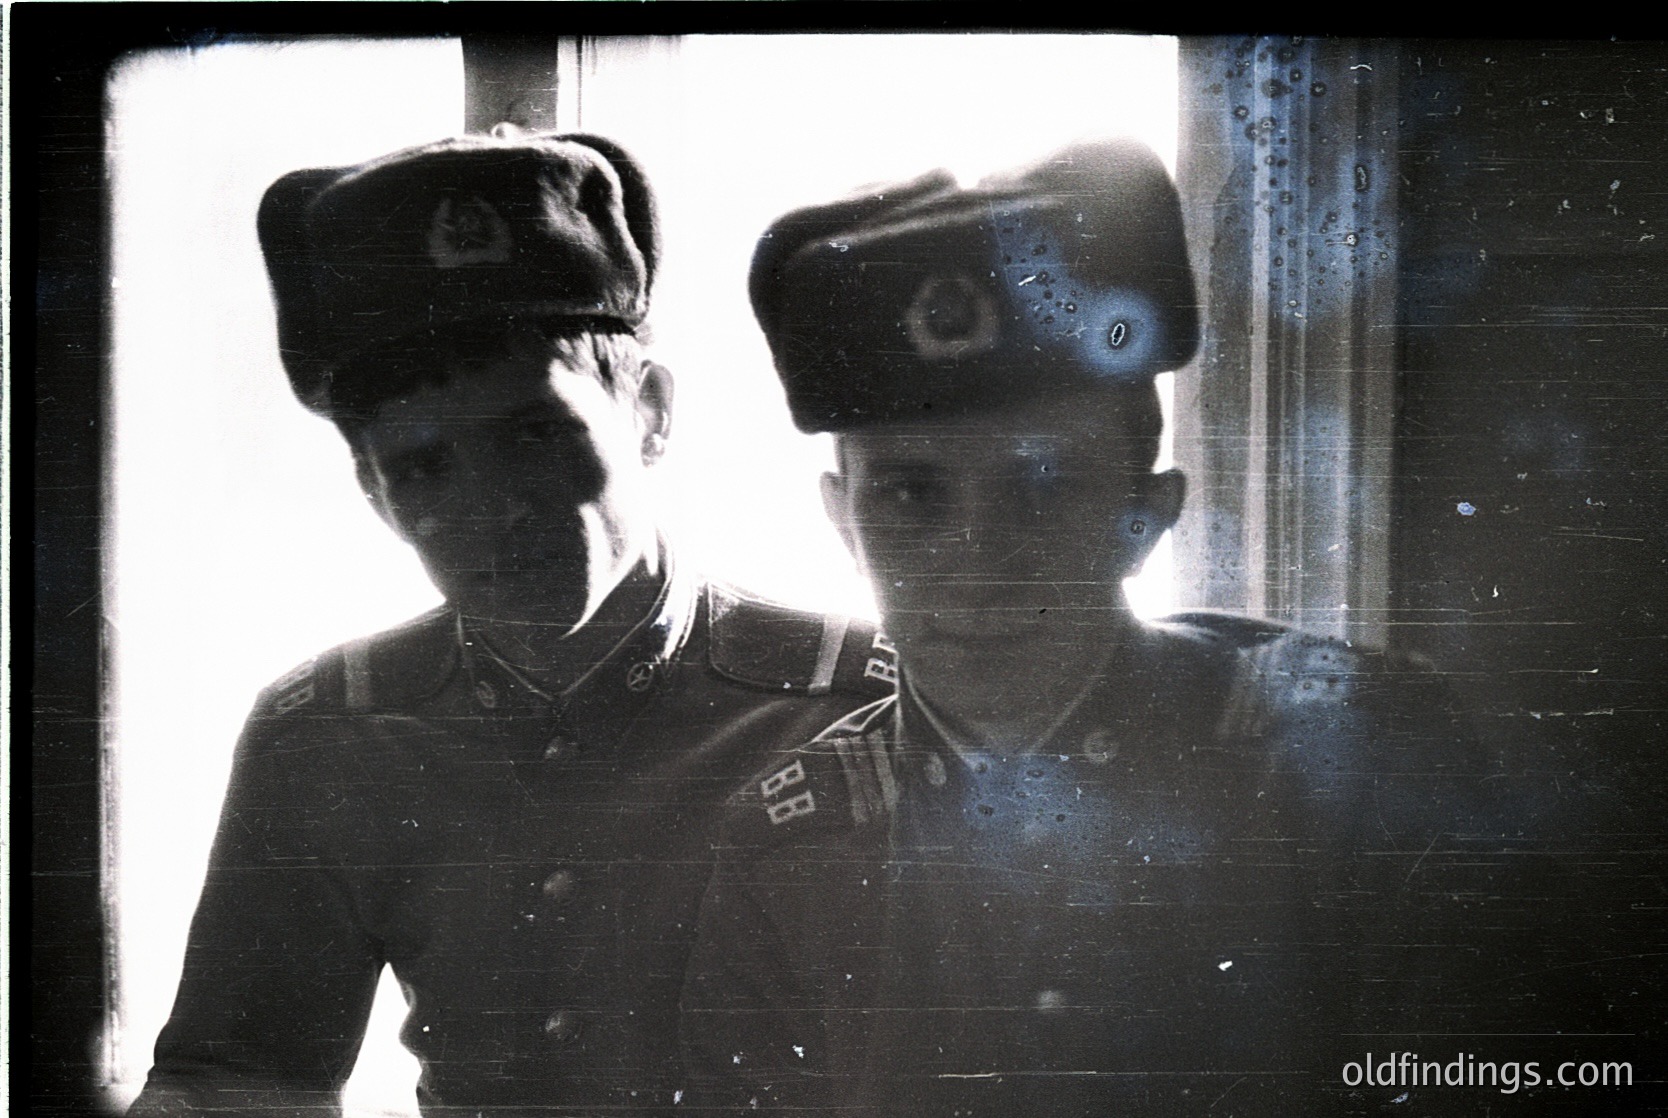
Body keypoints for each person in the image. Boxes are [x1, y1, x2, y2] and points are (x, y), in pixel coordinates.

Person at [681, 139, 1541, 1115]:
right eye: (913, 495)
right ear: (843, 518)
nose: (978, 558)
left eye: (1041, 487)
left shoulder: (1363, 764)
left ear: (1149, 513)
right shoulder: (790, 844)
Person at [129, 131, 895, 1117]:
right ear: (374, 494)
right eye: (424, 469)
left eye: (537, 433)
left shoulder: (856, 705)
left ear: (651, 412)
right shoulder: (323, 737)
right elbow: (235, 1081)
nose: (495, 508)